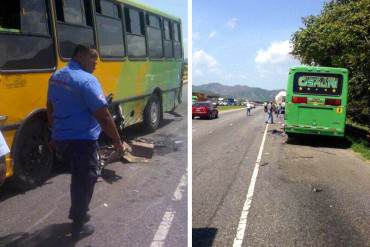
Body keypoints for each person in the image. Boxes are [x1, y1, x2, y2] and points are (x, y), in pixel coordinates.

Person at [47, 44, 128, 240]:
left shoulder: (56, 76)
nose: (95, 65)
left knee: (78, 176)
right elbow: (105, 117)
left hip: (63, 140)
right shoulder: (87, 81)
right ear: (81, 56)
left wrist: (53, 133)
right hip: (82, 140)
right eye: (93, 59)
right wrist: (118, 142)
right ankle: (78, 224)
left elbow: (50, 107)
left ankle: (80, 210)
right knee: (85, 180)